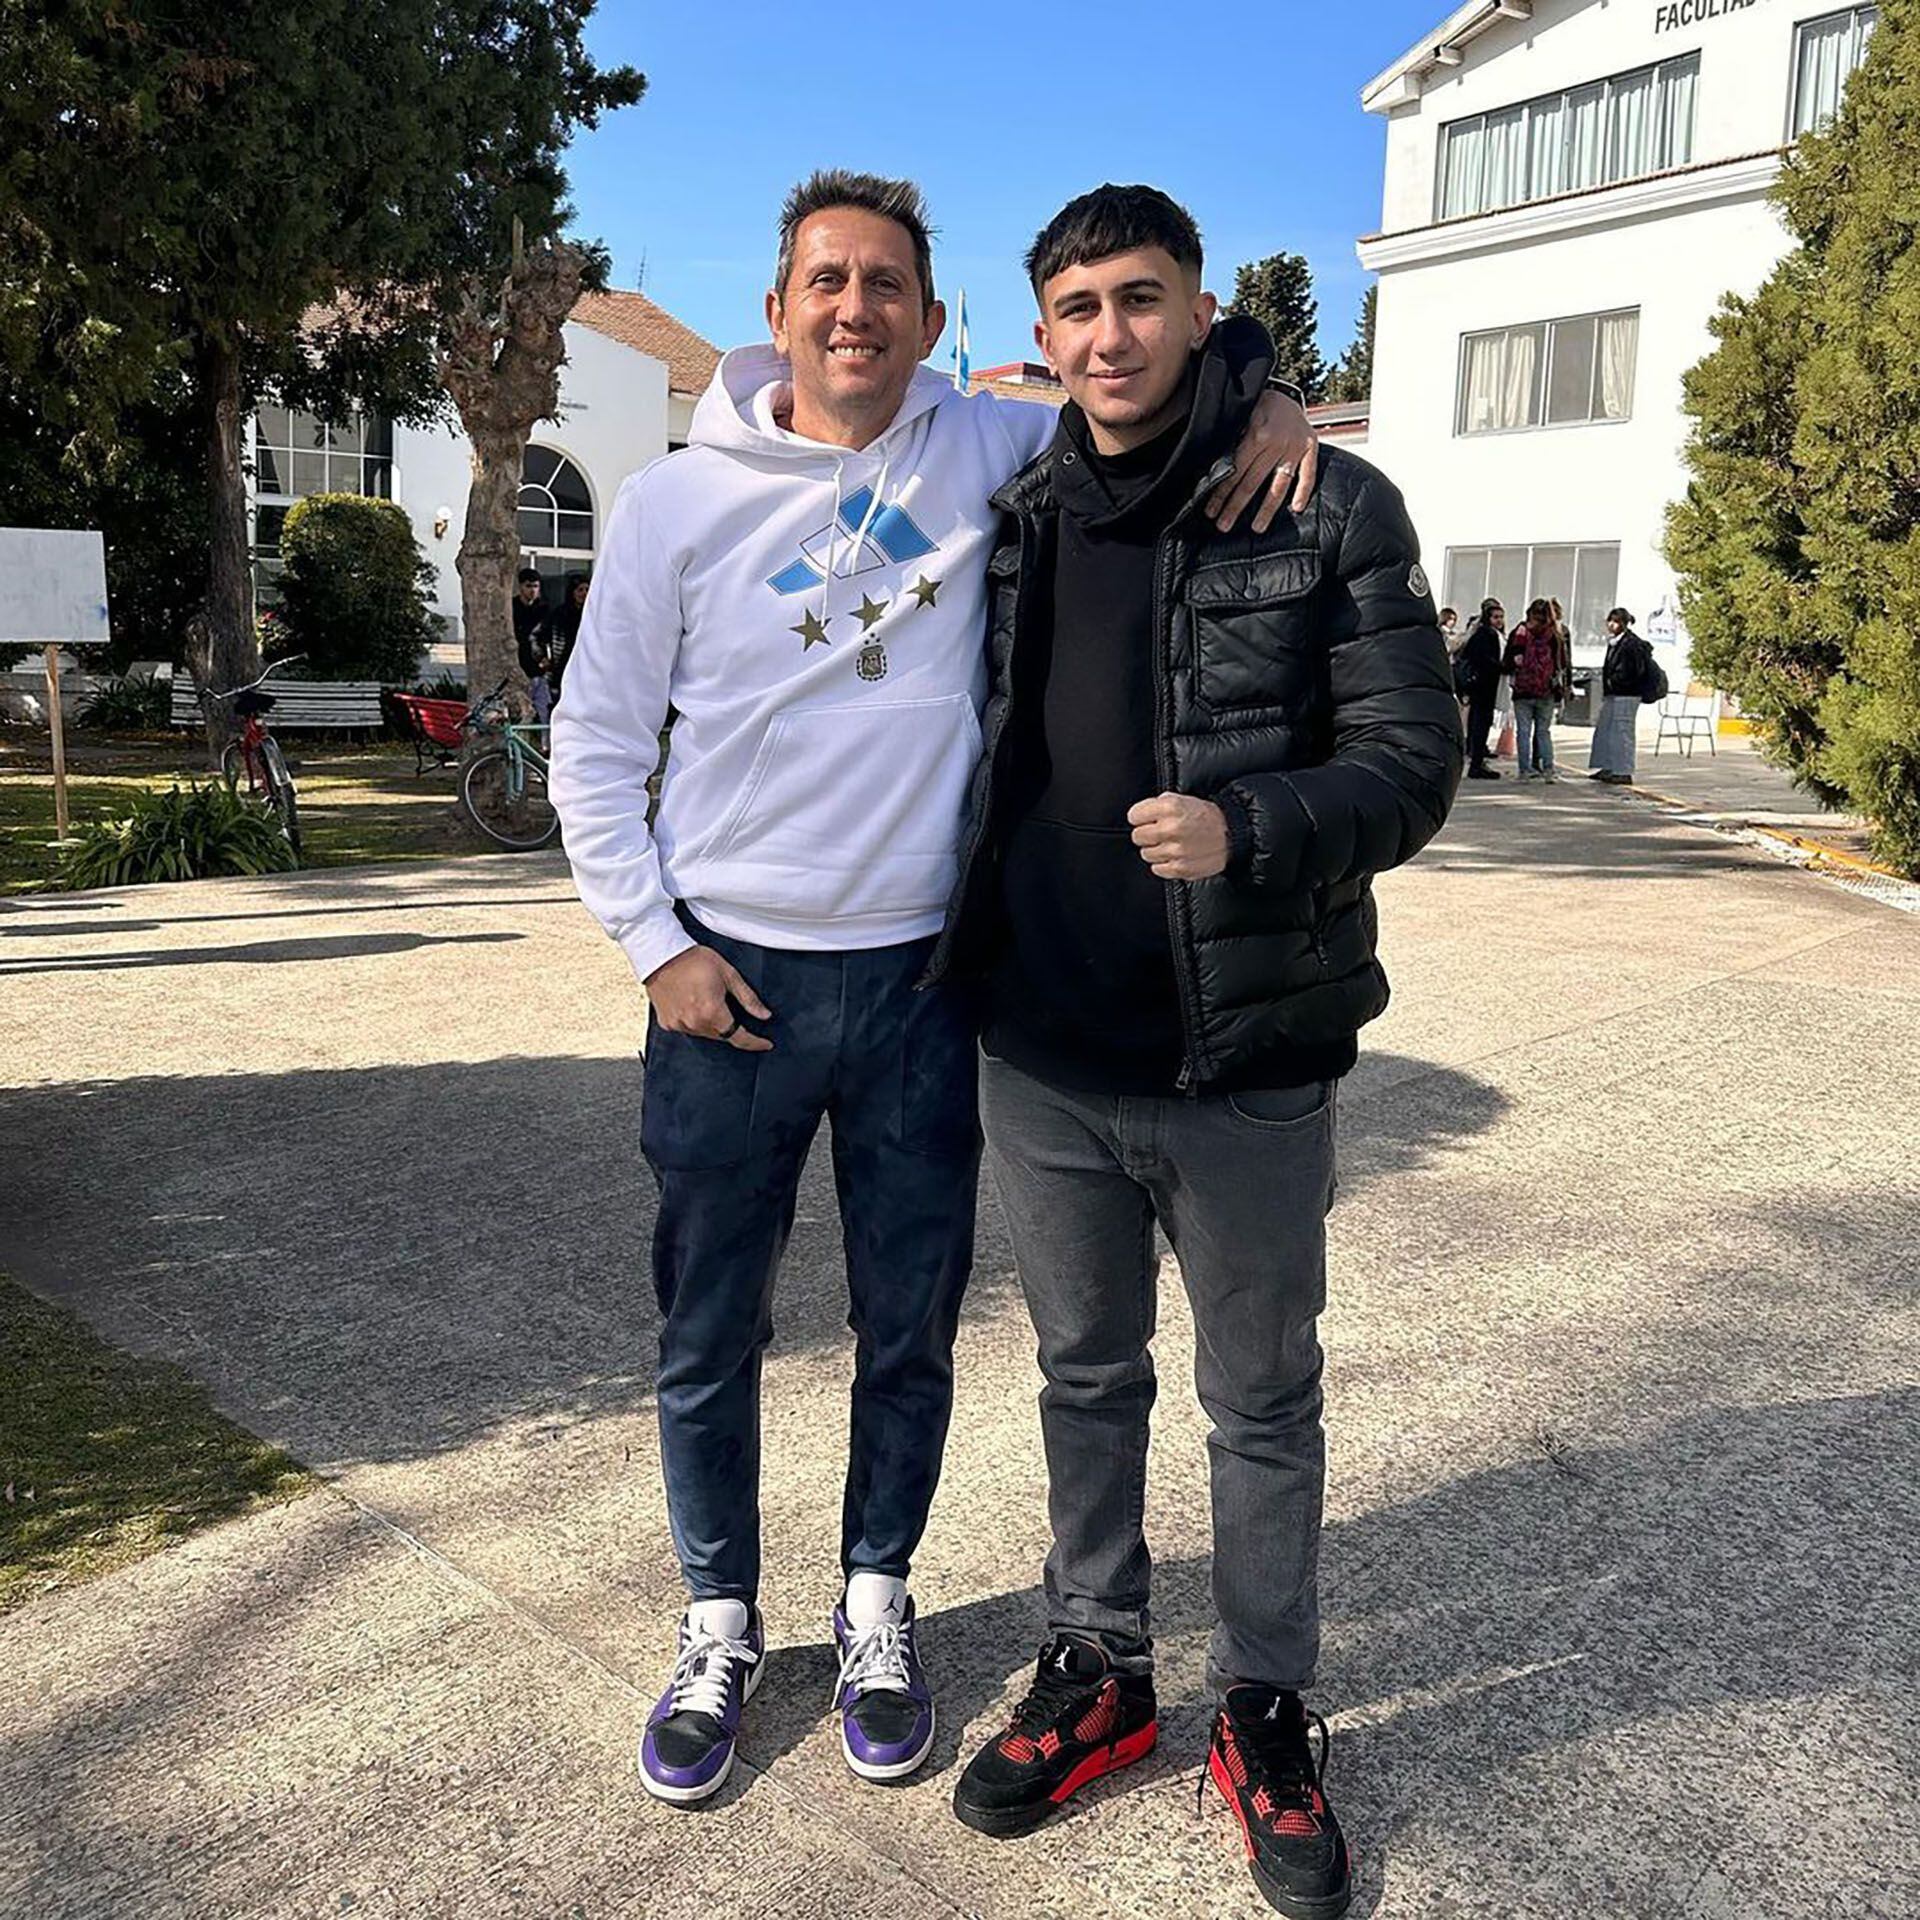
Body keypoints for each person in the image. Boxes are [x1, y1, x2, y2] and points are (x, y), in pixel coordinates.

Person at [547, 169, 1318, 1809]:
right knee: (708, 1334)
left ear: (932, 319)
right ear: (777, 313)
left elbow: (1153, 365)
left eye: (886, 284)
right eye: (826, 282)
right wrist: (659, 949)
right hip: (724, 992)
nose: (854, 310)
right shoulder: (677, 503)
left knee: (910, 1331)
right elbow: (596, 749)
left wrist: (1273, 388)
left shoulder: (984, 444)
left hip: (917, 990)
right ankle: (719, 1620)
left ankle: (876, 1601)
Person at [932, 184, 1460, 1920]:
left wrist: (1249, 826)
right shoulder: (1020, 512)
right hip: (1046, 1056)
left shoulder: (1323, 502)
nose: (1106, 334)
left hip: (1243, 1064)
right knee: (1084, 1383)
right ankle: (1100, 1671)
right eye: (1074, 304)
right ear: (1045, 327)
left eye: (1139, 299)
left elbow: (1411, 766)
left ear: (1197, 306)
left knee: (1261, 1404)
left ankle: (1266, 1705)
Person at [1503, 597, 1572, 782]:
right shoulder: (1555, 634)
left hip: (1523, 690)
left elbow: (1508, 660)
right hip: (1546, 690)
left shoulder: (1521, 631)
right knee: (1544, 732)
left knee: (1523, 733)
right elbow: (1563, 663)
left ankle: (1524, 771)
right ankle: (1548, 769)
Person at [1591, 607, 1653, 783]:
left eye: (1616, 621)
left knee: (1622, 731)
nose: (1612, 624)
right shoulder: (1615, 642)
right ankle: (1608, 766)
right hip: (1614, 694)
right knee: (1607, 730)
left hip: (1627, 694)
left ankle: (1623, 770)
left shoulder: (1631, 644)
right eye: (1610, 620)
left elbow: (1632, 671)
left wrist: (1616, 681)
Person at [1457, 598, 1506, 779]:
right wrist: (1504, 666)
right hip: (1483, 686)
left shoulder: (1490, 634)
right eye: (1495, 617)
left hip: (1485, 686)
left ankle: (1477, 760)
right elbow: (1484, 660)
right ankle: (1476, 763)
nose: (1499, 621)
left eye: (1501, 617)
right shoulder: (1485, 635)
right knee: (1480, 723)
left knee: (1480, 723)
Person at [514, 567, 554, 720]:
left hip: (539, 668)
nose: (532, 590)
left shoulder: (544, 609)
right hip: (519, 667)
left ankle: (545, 743)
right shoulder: (512, 607)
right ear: (521, 587)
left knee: (544, 711)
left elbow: (547, 636)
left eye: (535, 586)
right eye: (528, 586)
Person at [545, 573, 590, 707]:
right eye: (580, 590)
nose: (584, 594)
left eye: (587, 589)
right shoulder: (560, 613)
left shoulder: (593, 615)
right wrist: (544, 657)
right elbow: (539, 635)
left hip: (586, 664)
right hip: (563, 664)